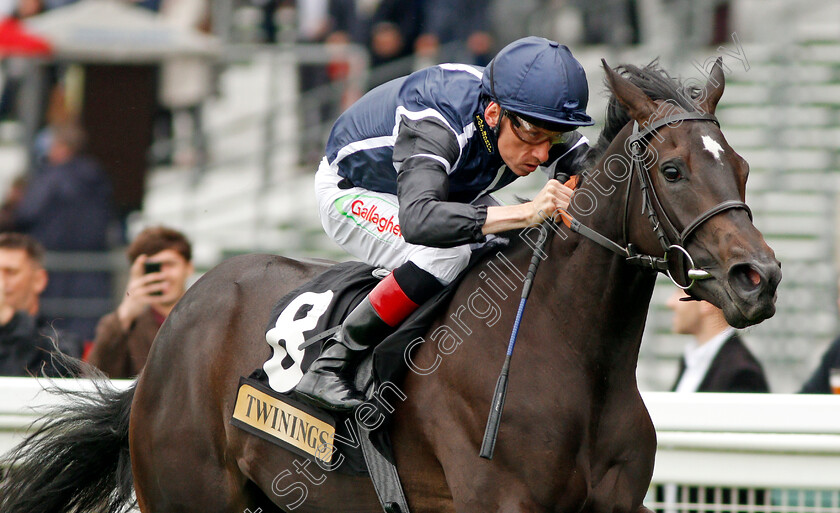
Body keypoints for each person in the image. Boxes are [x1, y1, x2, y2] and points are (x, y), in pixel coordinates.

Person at [297, 36, 593, 411]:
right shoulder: (437, 120)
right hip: (354, 191)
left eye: (556, 137)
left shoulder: (525, 114)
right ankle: (331, 363)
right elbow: (420, 220)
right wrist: (524, 212)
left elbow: (594, 172)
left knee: (511, 245)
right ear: (493, 114)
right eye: (533, 135)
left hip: (440, 191)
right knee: (448, 253)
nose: (542, 153)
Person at [0, 121, 114, 341]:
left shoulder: (51, 178)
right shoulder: (98, 177)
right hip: (91, 274)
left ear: (61, 147)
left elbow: (25, 214)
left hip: (56, 272)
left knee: (53, 335)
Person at [86, 226, 193, 378]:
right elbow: (94, 379)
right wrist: (124, 316)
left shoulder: (210, 320)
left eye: (170, 264)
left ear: (189, 267)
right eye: (152, 268)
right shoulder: (126, 326)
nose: (162, 275)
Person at [0, 232, 78, 375]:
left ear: (39, 280)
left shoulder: (60, 346)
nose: (1, 283)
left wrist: (10, 320)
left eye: (10, 272)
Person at [666, 288, 770, 393]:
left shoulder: (742, 372)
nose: (670, 302)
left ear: (707, 301)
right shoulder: (690, 360)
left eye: (681, 291)